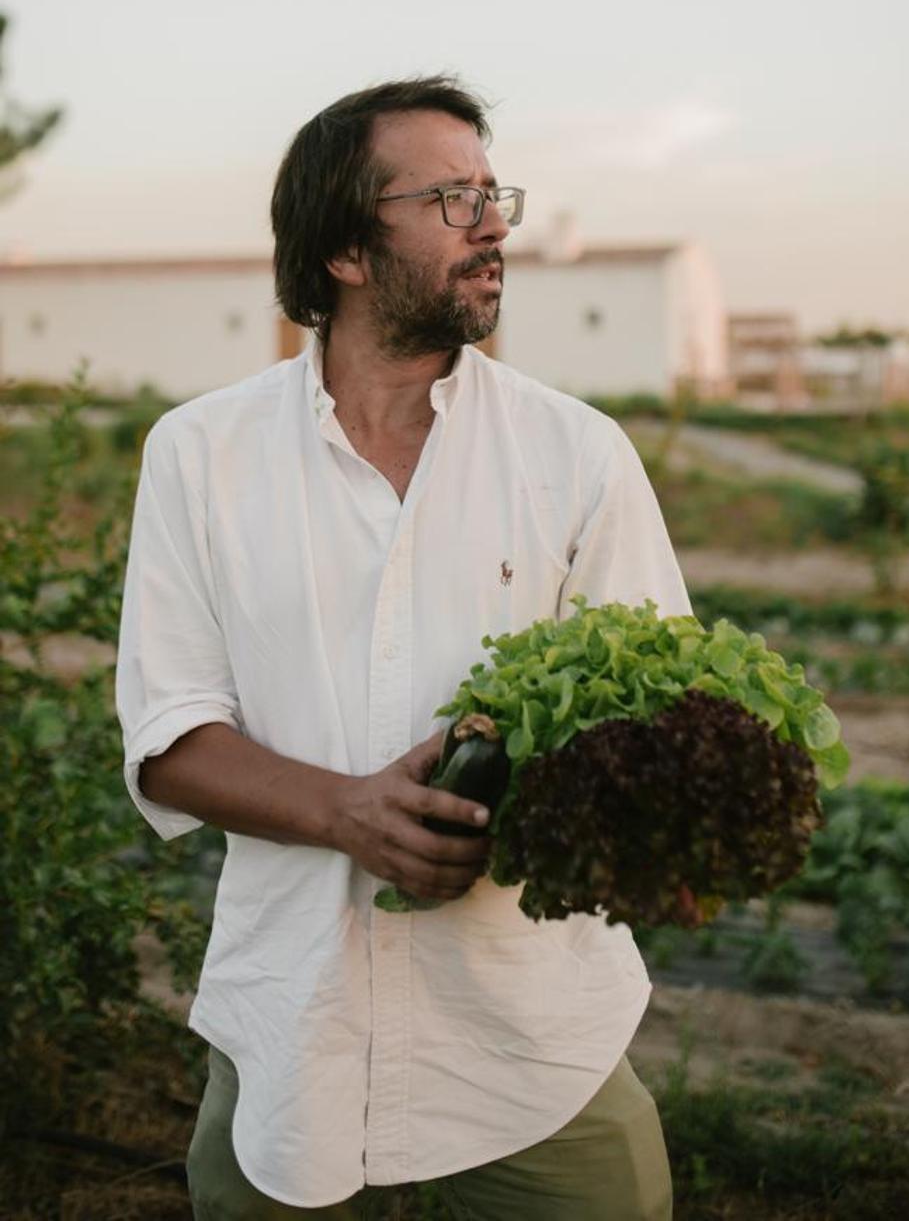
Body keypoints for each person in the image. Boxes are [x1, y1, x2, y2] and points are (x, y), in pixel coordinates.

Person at [116, 75, 689, 1220]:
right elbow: (170, 738)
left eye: (493, 192)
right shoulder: (201, 454)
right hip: (294, 1028)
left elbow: (658, 717)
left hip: (530, 1035)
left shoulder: (577, 453)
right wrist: (345, 810)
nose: (493, 222)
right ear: (344, 248)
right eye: (449, 196)